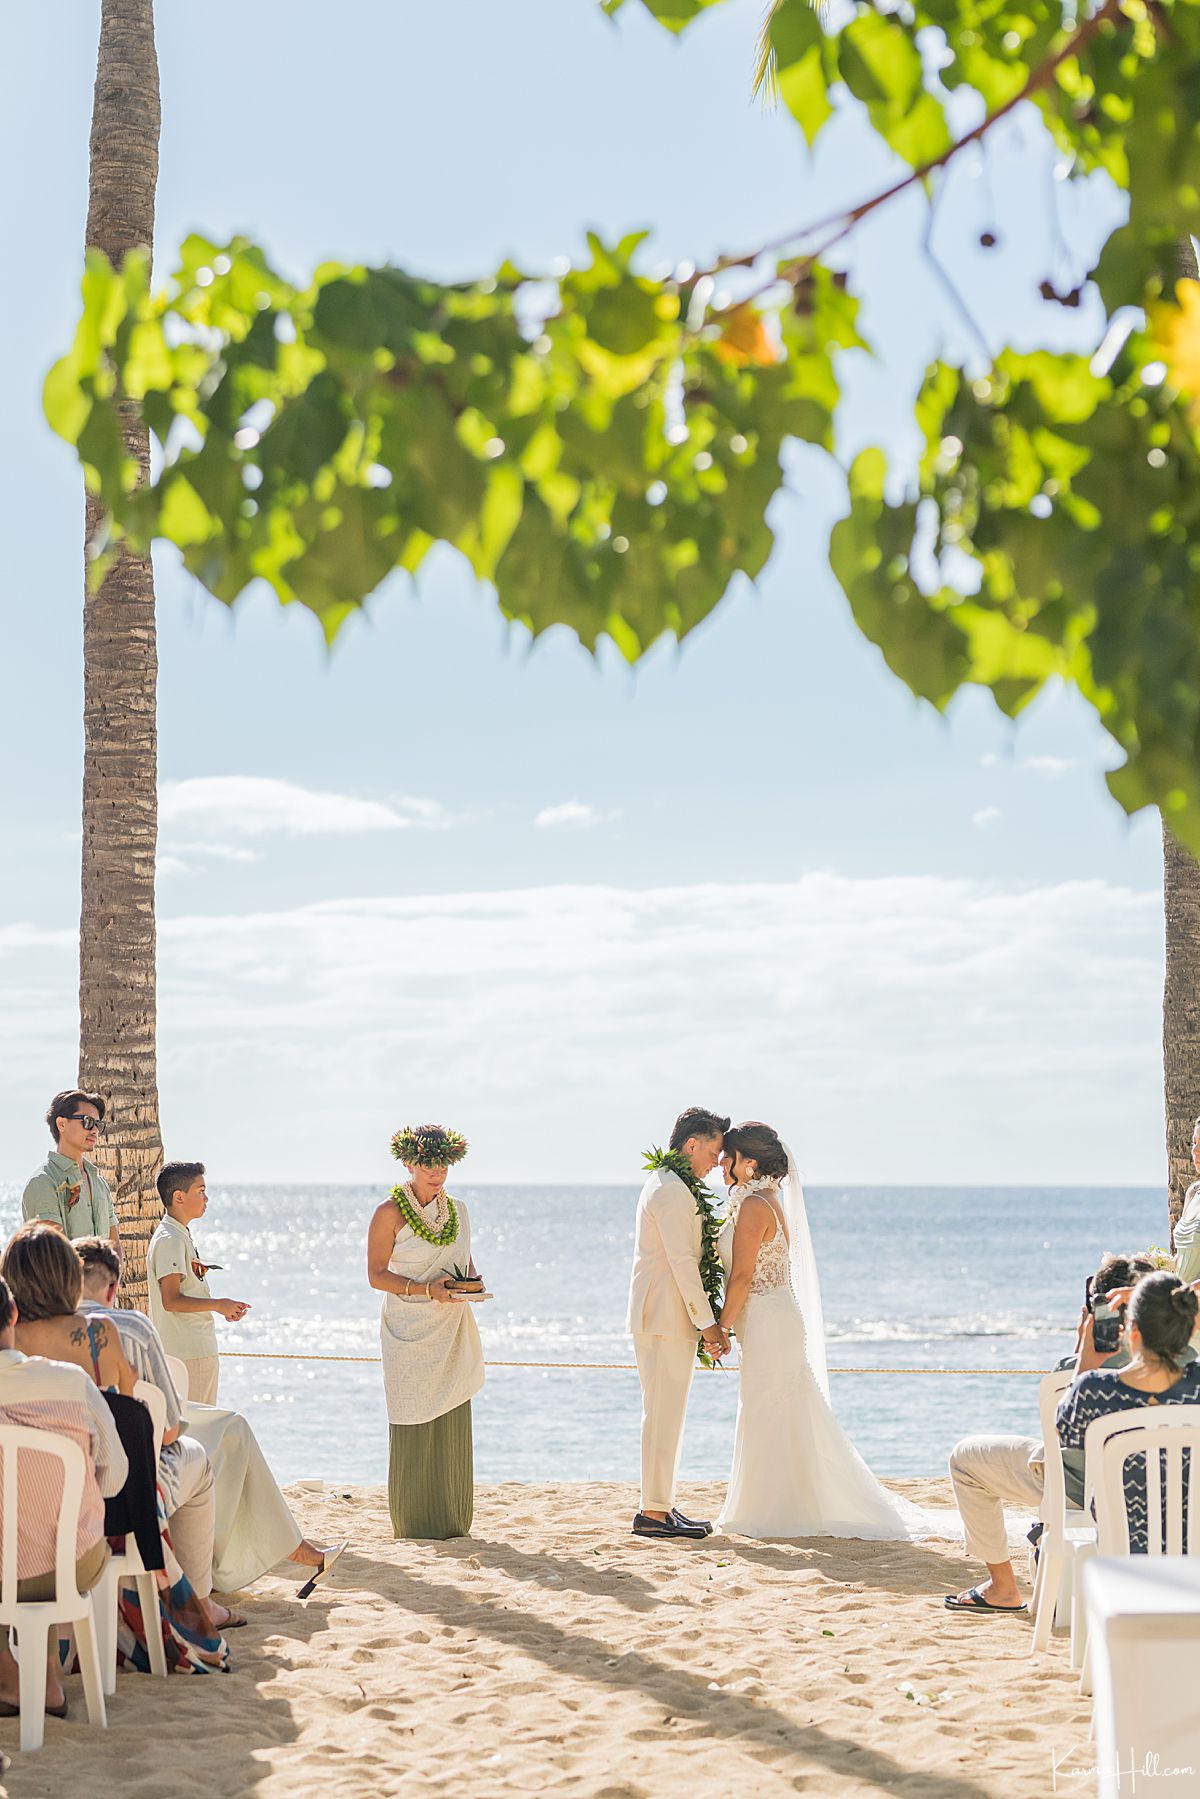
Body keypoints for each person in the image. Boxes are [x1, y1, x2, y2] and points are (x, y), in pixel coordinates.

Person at [1, 1223, 234, 1667]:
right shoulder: (97, 1334)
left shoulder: (10, 1342)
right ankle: (199, 1597)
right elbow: (133, 1417)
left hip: (18, 1517)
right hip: (101, 1508)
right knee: (192, 1466)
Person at [76, 1237, 343, 1594]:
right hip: (128, 1475)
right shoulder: (131, 1328)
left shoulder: (40, 1335)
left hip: (70, 1464)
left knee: (228, 1432)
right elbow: (169, 1429)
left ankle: (289, 1549)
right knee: (221, 1442)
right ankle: (205, 1593)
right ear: (113, 1288)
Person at [716, 1120, 929, 1540]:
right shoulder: (763, 1198)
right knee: (777, 1413)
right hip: (771, 1317)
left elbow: (741, 1278)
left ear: (749, 1163)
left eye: (729, 1155)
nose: (722, 1161)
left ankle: (769, 1513)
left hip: (766, 1320)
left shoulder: (756, 1206)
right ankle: (781, 1507)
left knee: (765, 1411)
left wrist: (720, 1328)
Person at [944, 1252, 1154, 1613]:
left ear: (1096, 1311)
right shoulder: (1187, 1373)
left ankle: (1002, 1588)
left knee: (965, 1459)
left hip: (1078, 1493)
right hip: (1163, 1495)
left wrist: (1080, 1350)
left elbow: (1065, 1436)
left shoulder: (1072, 1371)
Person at [0, 1271, 126, 1720]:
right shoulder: (70, 1381)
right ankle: (47, 1678)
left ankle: (13, 1677)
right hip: (72, 1564)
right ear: (12, 1313)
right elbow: (115, 1478)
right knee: (51, 1532)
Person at [367, 1123, 484, 1540]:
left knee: (452, 1414)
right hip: (408, 1328)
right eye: (428, 1164)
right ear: (408, 1163)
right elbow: (376, 1276)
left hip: (451, 1325)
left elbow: (465, 1262)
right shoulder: (388, 1213)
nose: (437, 1173)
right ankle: (415, 1522)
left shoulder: (459, 1210)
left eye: (443, 1165)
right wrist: (423, 1290)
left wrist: (473, 1283)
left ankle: (453, 1520)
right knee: (412, 1414)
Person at [627, 1107, 731, 1541]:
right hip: (665, 1316)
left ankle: (660, 1506)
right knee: (663, 1415)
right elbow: (683, 1264)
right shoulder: (670, 1190)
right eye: (712, 1150)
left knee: (666, 1414)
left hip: (666, 1315)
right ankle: (653, 1513)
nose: (715, 1161)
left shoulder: (674, 1185)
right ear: (691, 1144)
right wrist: (709, 1326)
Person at [1057, 1270, 1200, 1552]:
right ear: (1191, 1328)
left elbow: (1063, 1432)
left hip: (1121, 1560)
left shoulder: (1094, 1391)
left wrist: (1085, 1359)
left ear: (1132, 1331)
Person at [147, 1162, 250, 1405]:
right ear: (179, 1197)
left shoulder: (179, 1234)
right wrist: (218, 1305)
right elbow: (170, 1300)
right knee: (199, 1430)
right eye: (201, 1191)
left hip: (191, 1352)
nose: (206, 1198)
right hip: (188, 1355)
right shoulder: (170, 1239)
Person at [22, 1089, 121, 1254]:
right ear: (61, 1124)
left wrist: (112, 1279)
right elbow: (52, 1254)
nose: (95, 1130)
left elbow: (115, 1245)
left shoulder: (99, 1183)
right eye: (87, 1121)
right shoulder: (43, 1183)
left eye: (98, 1124)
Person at [1173, 1115, 1200, 1287]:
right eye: (1194, 1142)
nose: (1196, 1150)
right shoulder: (1193, 1192)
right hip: (1183, 1307)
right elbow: (1183, 1257)